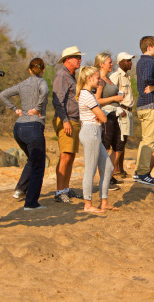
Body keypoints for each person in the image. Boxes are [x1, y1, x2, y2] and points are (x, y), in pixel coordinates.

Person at [0, 58, 50, 210]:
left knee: (32, 159)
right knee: (38, 165)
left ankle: (20, 190)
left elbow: (2, 94)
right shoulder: (42, 83)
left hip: (19, 127)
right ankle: (31, 203)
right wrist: (39, 107)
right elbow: (46, 92)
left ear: (29, 70)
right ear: (43, 69)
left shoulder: (22, 84)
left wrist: (15, 109)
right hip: (34, 126)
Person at [76, 66, 116, 213]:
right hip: (90, 131)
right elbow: (103, 117)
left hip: (94, 131)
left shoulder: (89, 94)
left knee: (108, 167)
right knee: (90, 170)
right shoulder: (86, 95)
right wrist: (100, 117)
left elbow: (100, 116)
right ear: (89, 78)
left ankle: (103, 202)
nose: (99, 80)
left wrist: (100, 117)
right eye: (97, 78)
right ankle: (87, 204)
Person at [52, 46, 84, 202]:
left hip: (73, 119)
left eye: (79, 57)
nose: (80, 60)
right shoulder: (61, 76)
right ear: (67, 60)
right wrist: (65, 121)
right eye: (76, 57)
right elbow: (57, 101)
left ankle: (65, 188)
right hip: (67, 119)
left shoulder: (71, 76)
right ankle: (59, 191)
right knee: (65, 156)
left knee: (70, 156)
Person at [133, 36, 154, 186]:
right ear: (149, 47)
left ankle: (140, 172)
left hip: (143, 105)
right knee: (149, 141)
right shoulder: (150, 61)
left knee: (145, 140)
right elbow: (146, 77)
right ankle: (143, 173)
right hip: (150, 105)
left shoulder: (140, 61)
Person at [92, 52, 123, 190]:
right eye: (110, 62)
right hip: (105, 116)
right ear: (101, 64)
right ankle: (104, 179)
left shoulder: (109, 79)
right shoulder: (99, 81)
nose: (112, 64)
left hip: (116, 115)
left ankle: (108, 175)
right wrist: (114, 99)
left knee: (119, 146)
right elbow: (96, 101)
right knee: (105, 147)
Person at [108, 52, 135, 179]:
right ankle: (112, 171)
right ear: (120, 62)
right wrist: (119, 110)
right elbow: (110, 94)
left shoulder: (127, 76)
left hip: (128, 110)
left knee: (123, 141)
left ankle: (120, 169)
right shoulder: (116, 76)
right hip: (121, 110)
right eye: (128, 60)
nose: (130, 62)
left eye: (130, 60)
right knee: (119, 142)